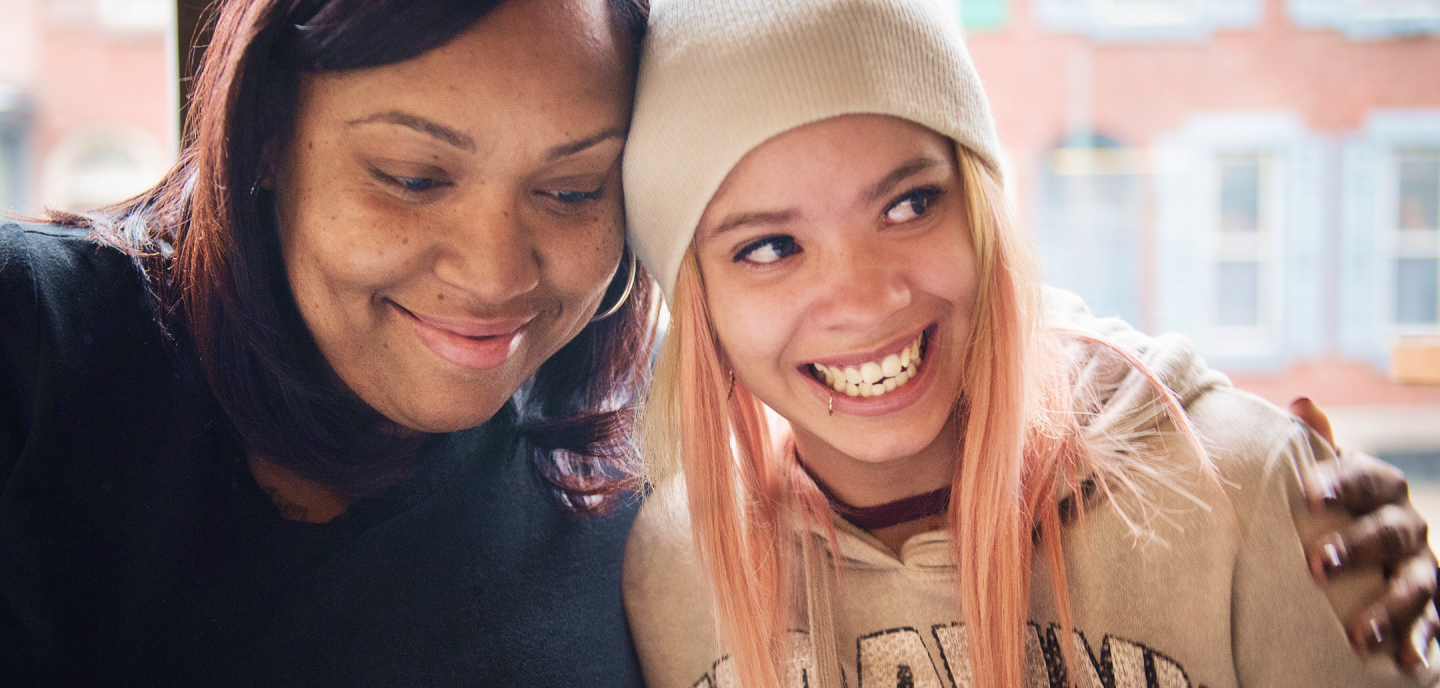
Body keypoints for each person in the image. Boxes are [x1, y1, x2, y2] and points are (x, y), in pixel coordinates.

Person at [618, 1, 1440, 686]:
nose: (868, 299)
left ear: (982, 213)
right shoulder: (670, 569)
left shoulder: (1244, 491)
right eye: (768, 247)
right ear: (699, 305)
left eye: (909, 204)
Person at [0, 0, 654, 685]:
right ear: (264, 132)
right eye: (412, 179)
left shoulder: (651, 447)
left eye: (572, 190)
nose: (494, 276)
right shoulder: (37, 337)